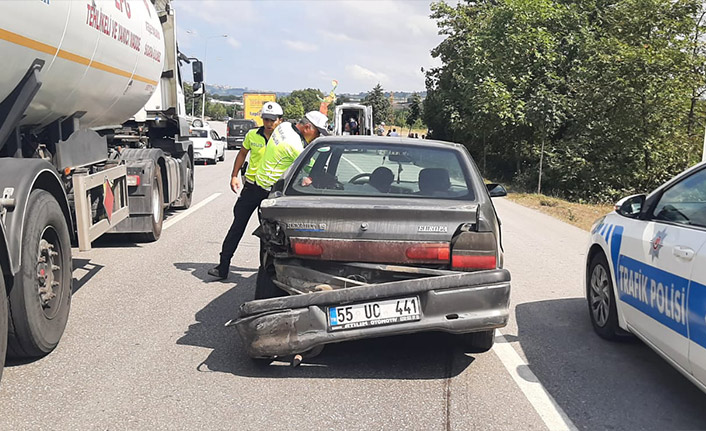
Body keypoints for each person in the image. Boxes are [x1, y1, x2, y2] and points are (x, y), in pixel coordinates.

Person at [208, 102, 284, 280]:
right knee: (237, 226)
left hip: (272, 192)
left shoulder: (284, 140)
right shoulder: (252, 135)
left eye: (273, 120)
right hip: (251, 188)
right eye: (266, 119)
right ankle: (223, 266)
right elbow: (242, 153)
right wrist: (234, 175)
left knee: (268, 233)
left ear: (280, 120)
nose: (269, 123)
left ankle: (265, 271)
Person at [256, 110, 329, 191]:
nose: (317, 137)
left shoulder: (284, 126)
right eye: (317, 133)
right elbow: (311, 167)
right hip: (270, 188)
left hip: (260, 180)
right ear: (307, 127)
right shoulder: (295, 146)